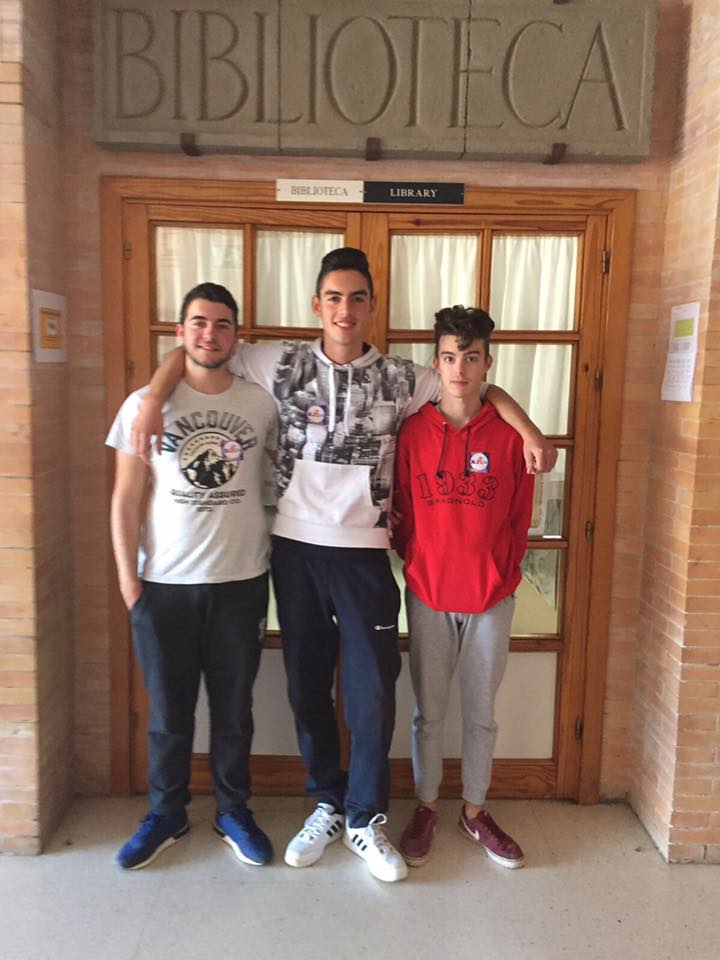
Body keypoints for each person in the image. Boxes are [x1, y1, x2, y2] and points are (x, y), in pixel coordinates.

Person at [129, 248, 555, 883]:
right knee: (306, 685)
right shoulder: (278, 362)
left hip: (363, 553)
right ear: (317, 305)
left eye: (357, 298)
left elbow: (476, 382)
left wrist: (528, 432)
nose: (345, 309)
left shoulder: (404, 377)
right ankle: (326, 803)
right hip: (294, 550)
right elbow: (195, 350)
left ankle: (364, 818)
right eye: (334, 297)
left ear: (372, 307)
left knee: (370, 691)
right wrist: (151, 400)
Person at [107, 282, 278, 870]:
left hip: (241, 581)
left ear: (237, 336)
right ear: (180, 333)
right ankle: (166, 813)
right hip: (163, 587)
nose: (210, 333)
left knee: (233, 712)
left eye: (222, 323)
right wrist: (129, 583)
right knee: (168, 714)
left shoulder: (261, 402)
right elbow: (125, 498)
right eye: (199, 323)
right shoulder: (142, 405)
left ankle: (233, 811)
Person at [393, 304, 533, 870]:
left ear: (486, 365)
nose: (459, 369)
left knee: (481, 714)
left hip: (490, 597)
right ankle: (426, 806)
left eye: (471, 358)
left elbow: (520, 516)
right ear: (437, 362)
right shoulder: (413, 432)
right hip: (428, 593)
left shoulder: (509, 436)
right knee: (428, 714)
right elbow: (401, 509)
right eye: (450, 357)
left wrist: (500, 573)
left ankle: (474, 810)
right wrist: (418, 561)